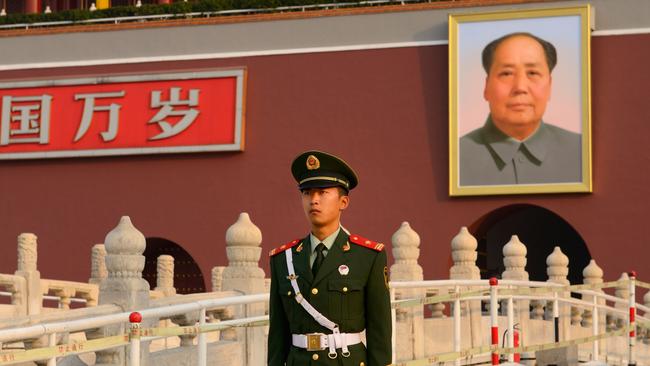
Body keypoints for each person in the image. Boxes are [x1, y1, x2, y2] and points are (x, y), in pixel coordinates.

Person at [267, 150, 392, 366]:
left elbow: (380, 328)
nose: (313, 200)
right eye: (307, 192)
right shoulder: (283, 258)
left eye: (322, 192)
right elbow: (278, 332)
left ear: (343, 202)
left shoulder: (367, 256)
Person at [459, 32, 582, 186]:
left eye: (532, 73)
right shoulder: (455, 157)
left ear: (550, 86)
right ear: (486, 87)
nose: (520, 87)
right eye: (506, 73)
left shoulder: (582, 151)